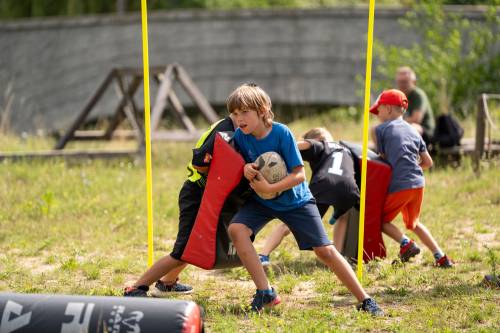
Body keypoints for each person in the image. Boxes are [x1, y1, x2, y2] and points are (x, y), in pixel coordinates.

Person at [226, 83, 383, 315]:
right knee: (237, 230)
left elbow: (299, 175)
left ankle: (365, 299)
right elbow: (245, 163)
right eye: (235, 114)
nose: (239, 119)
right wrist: (247, 169)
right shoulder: (241, 136)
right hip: (262, 200)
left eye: (244, 112)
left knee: (325, 251)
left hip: (295, 202)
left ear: (262, 110)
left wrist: (270, 186)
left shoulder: (281, 133)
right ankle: (265, 292)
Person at [124, 115, 238, 297]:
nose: (242, 117)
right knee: (182, 251)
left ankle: (167, 283)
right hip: (196, 194)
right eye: (239, 112)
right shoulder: (225, 129)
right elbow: (199, 161)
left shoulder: (237, 128)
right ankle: (137, 288)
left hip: (204, 194)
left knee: (193, 246)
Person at [369, 89, 453, 268]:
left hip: (400, 184)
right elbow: (428, 162)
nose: (377, 115)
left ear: (389, 109)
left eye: (379, 110)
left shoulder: (379, 129)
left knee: (381, 221)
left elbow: (381, 161)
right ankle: (441, 256)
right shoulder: (414, 130)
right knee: (414, 223)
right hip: (418, 183)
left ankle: (406, 244)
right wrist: (412, 168)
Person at [258, 127, 359, 266]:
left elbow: (302, 145)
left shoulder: (321, 144)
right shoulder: (345, 149)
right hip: (350, 190)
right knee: (343, 217)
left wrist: (280, 148)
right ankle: (338, 255)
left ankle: (263, 255)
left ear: (316, 139)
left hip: (324, 184)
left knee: (289, 222)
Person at [396, 66, 435, 146]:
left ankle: (412, 156)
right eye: (400, 82)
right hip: (403, 127)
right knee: (377, 129)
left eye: (405, 82)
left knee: (412, 128)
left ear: (413, 82)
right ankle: (382, 155)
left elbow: (416, 119)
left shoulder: (418, 95)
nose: (402, 85)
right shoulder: (397, 95)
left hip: (424, 131)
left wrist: (394, 122)